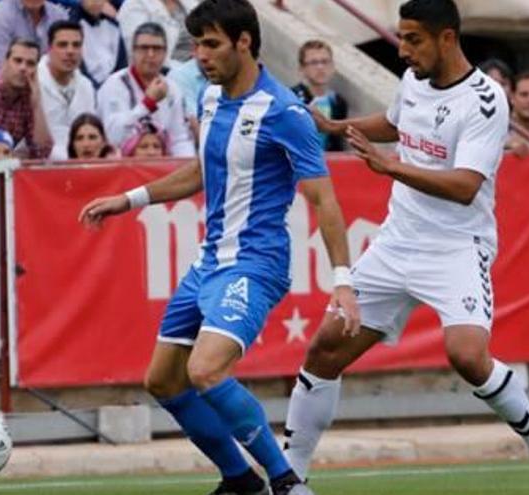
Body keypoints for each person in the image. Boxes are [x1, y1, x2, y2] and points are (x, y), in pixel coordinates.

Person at [285, 2, 529, 495]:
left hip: (456, 248)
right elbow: (401, 123)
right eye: (400, 37)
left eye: (413, 39)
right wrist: (341, 128)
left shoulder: (486, 101)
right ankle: (290, 479)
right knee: (324, 347)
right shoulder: (414, 81)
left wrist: (391, 167)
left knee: (467, 355)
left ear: (447, 38)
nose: (402, 49)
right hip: (398, 241)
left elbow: (466, 185)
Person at [80, 1, 357, 494]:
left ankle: (288, 483)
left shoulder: (284, 112)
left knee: (205, 369)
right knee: (163, 381)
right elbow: (202, 172)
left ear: (244, 42)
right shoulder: (209, 99)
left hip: (254, 266)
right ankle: (239, 482)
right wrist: (129, 199)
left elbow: (324, 199)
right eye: (198, 45)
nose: (201, 56)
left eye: (211, 44)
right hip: (209, 261)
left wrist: (343, 281)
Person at [97, 22, 194, 157]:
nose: (150, 54)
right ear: (133, 51)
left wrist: (185, 164)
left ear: (165, 52)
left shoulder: (172, 89)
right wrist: (147, 104)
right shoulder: (114, 85)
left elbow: (180, 138)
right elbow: (112, 136)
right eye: (144, 48)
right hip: (121, 166)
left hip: (162, 166)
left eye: (157, 48)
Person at [37, 20, 97, 160]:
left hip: (80, 166)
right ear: (49, 48)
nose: (70, 51)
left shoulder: (86, 86)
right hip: (40, 167)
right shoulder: (32, 82)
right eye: (63, 45)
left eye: (76, 45)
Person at [0, 0, 70, 80]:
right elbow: (1, 73)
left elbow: (66, 64)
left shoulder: (59, 16)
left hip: (43, 88)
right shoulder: (0, 16)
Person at [291, 40, 348, 152]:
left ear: (332, 66)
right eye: (313, 62)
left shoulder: (338, 102)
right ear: (302, 69)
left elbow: (338, 142)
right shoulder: (291, 98)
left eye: (325, 61)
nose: (320, 67)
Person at [117, 0, 198, 65]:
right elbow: (140, 55)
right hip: (164, 74)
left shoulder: (190, 3)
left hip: (199, 67)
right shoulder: (134, 5)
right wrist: (184, 71)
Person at [71, 0, 127, 87]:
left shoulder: (114, 25)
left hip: (114, 87)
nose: (95, 2)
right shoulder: (71, 26)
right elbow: (78, 69)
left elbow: (122, 64)